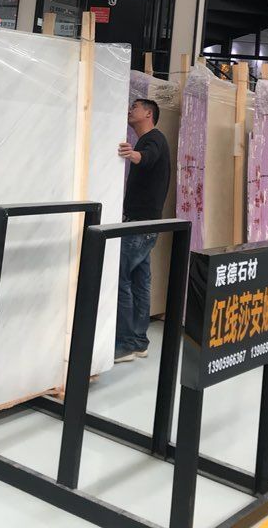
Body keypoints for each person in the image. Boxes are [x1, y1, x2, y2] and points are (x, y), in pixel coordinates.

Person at [114, 97, 170, 363]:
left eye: (134, 107)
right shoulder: (147, 140)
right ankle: (138, 342)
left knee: (121, 279)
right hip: (145, 224)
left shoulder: (154, 139)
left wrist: (134, 155)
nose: (129, 110)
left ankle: (126, 344)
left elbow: (148, 157)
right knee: (139, 282)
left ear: (148, 114)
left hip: (139, 224)